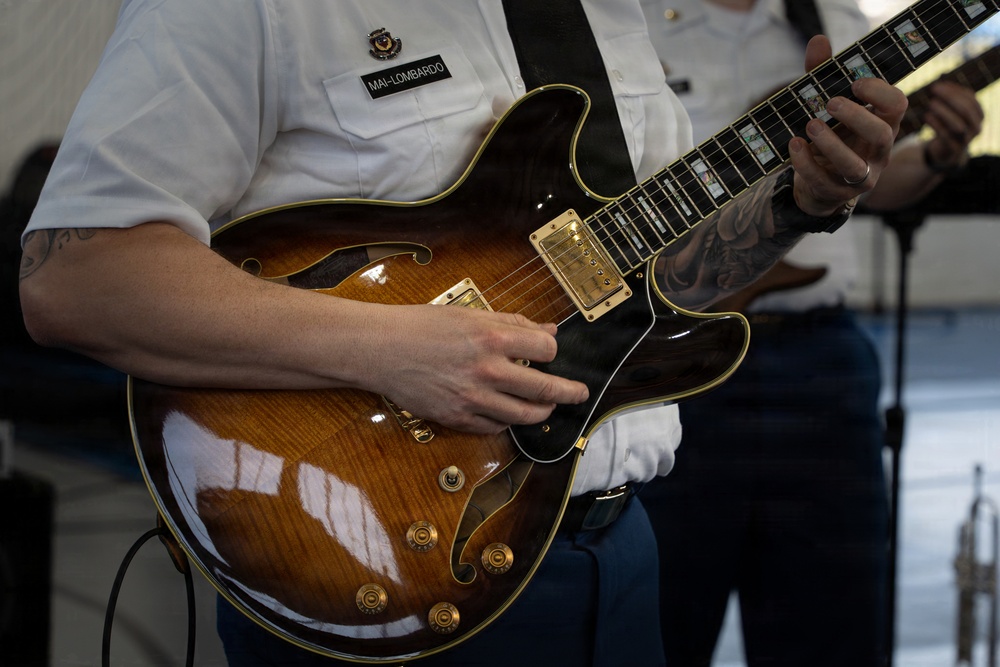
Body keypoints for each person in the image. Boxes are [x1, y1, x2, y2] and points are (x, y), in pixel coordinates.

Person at [17, 1, 906, 665]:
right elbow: (77, 275)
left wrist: (798, 202)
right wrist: (391, 350)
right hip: (386, 554)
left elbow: (642, 279)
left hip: (623, 556)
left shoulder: (610, 11)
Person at [637, 0, 984, 665]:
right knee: (660, 617)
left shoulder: (834, 22)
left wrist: (939, 156)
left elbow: (878, 179)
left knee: (833, 622)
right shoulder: (631, 22)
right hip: (665, 361)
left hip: (819, 359)